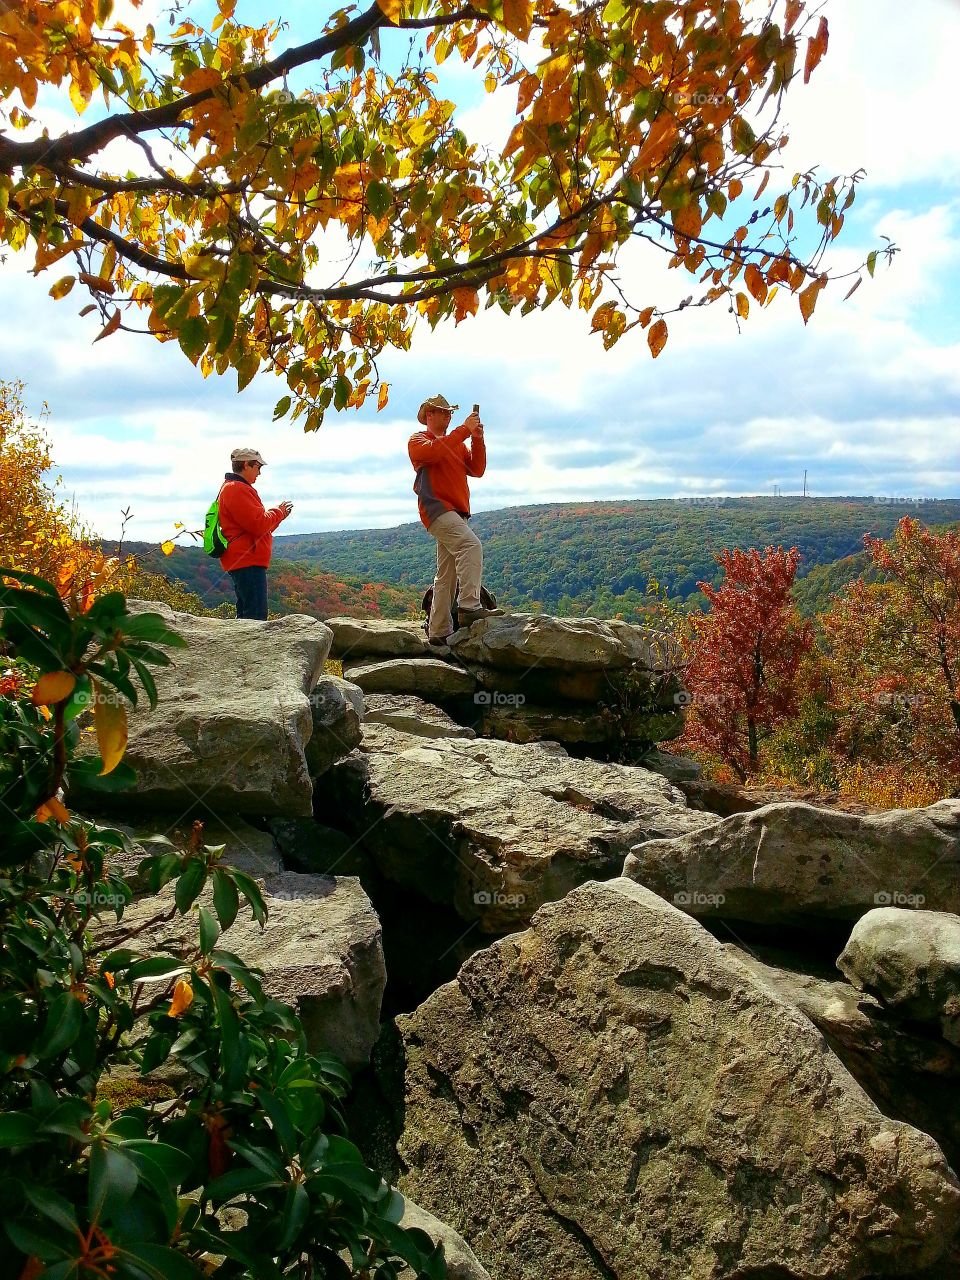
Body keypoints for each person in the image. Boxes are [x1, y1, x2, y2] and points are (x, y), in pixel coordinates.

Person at [408, 393, 501, 646]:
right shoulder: (419, 440)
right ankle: (469, 606)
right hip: (438, 509)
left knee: (446, 574)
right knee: (471, 546)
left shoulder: (456, 443)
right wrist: (463, 430)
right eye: (444, 412)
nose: (449, 416)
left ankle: (438, 631)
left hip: (456, 512)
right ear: (430, 415)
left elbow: (477, 469)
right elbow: (436, 452)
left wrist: (478, 439)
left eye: (450, 412)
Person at [218, 447, 293, 620]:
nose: (259, 473)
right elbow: (259, 525)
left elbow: (256, 530)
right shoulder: (236, 489)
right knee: (256, 616)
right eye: (258, 467)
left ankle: (240, 646)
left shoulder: (232, 488)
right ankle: (249, 648)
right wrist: (278, 512)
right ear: (246, 465)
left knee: (247, 614)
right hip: (247, 560)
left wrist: (278, 517)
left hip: (243, 559)